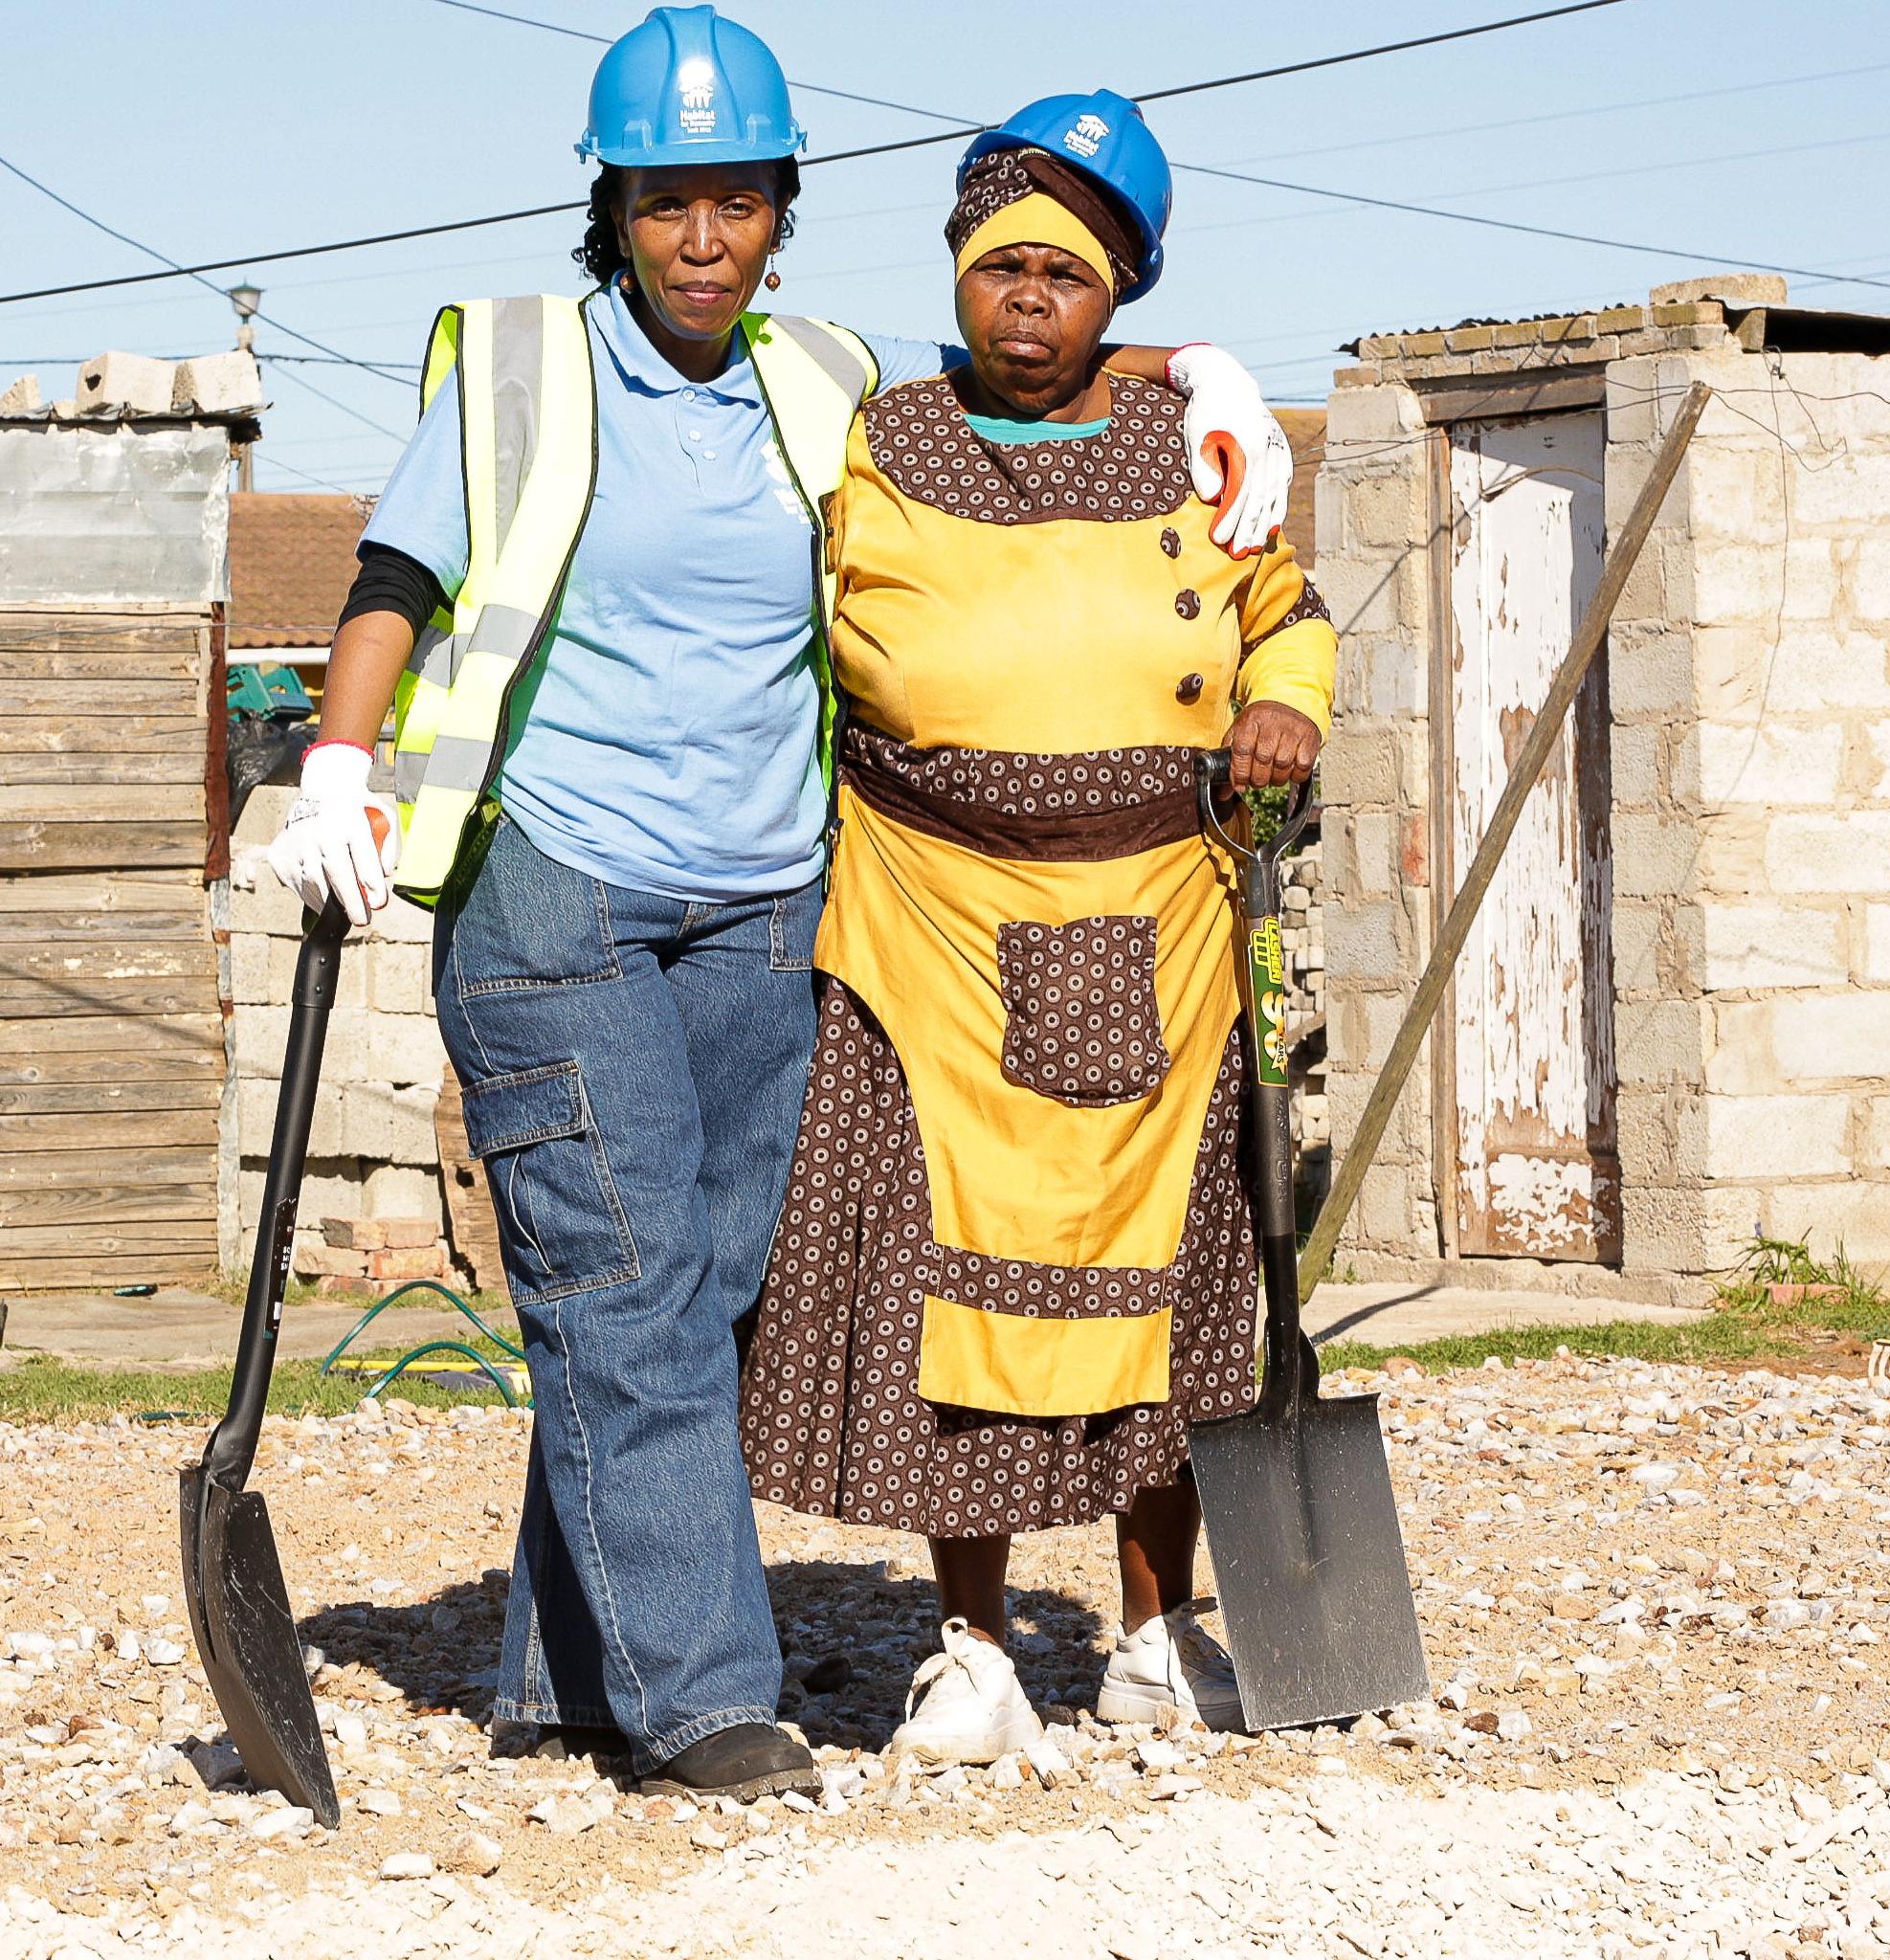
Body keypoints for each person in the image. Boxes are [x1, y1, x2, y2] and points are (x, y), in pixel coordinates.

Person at [256, 10, 1301, 1802]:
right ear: (615, 208)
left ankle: (563, 1669)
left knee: (706, 1294)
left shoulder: (820, 384)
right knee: (632, 1279)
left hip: (760, 902)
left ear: (780, 213)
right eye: (667, 204)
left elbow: (1017, 378)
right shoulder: (520, 370)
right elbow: (396, 576)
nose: (701, 240)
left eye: (736, 203)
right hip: (556, 882)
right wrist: (339, 767)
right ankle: (702, 1700)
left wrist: (1196, 372)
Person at [738, 96, 1333, 1765]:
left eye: (1065, 277)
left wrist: (1285, 711)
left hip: (1169, 923)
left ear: (1114, 297)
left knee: (1178, 1285)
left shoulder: (1204, 459)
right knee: (953, 1294)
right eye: (998, 266)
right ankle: (972, 1651)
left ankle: (1153, 1639)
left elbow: (1290, 622)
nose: (1026, 301)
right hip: (929, 922)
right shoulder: (872, 437)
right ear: (955, 275)